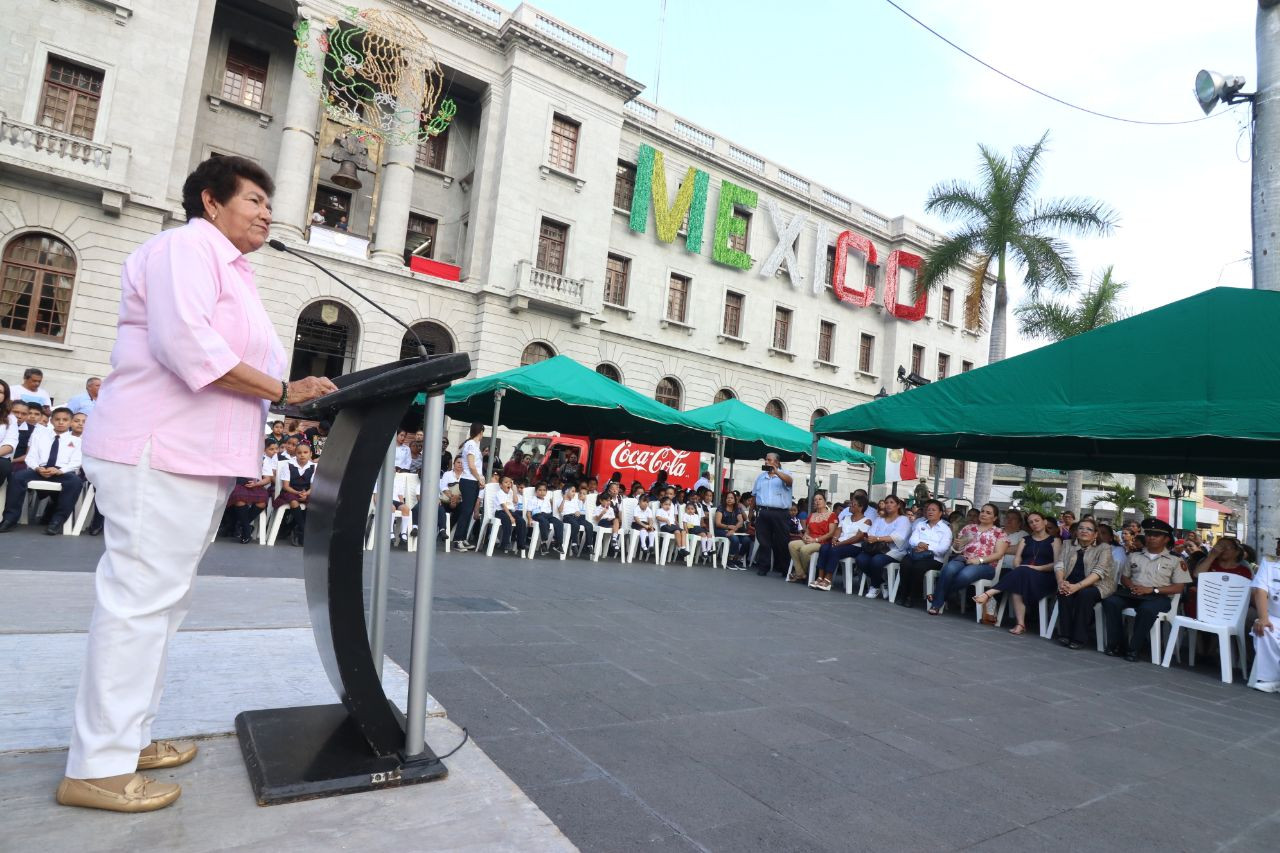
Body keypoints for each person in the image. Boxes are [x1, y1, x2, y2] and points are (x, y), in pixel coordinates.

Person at [54, 156, 337, 813]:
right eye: (255, 199)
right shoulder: (186, 246)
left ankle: (127, 739)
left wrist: (287, 397)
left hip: (194, 455)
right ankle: (96, 765)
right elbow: (189, 345)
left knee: (162, 603)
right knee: (139, 602)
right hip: (160, 447)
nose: (268, 212)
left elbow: (239, 359)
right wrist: (283, 389)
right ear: (211, 202)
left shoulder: (229, 267)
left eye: (270, 202)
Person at [1101, 518, 1190, 662]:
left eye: (1156, 535)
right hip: (1133, 593)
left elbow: (1179, 587)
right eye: (1149, 534)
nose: (1151, 538)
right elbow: (1125, 577)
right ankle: (1117, 644)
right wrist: (1131, 586)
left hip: (1158, 596)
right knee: (1111, 602)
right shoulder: (1135, 555)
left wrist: (1152, 590)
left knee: (1147, 609)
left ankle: (1133, 649)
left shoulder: (1176, 560)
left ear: (1166, 539)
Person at [974, 511, 1061, 634]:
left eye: (1037, 520)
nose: (1034, 524)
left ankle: (989, 593)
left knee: (1021, 574)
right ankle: (1020, 624)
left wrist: (1034, 568)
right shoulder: (1025, 540)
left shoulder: (1055, 541)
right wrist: (1020, 567)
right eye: (1031, 522)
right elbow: (1017, 560)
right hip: (1023, 574)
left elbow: (1056, 564)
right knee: (1018, 582)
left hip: (1044, 577)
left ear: (1044, 522)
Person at [0, 406, 83, 534]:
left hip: (62, 472)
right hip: (39, 470)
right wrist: (37, 467)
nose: (61, 422)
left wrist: (60, 471)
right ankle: (9, 519)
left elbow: (77, 462)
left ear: (71, 422)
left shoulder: (77, 441)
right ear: (51, 421)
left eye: (65, 420)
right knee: (17, 477)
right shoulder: (40, 437)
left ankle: (57, 521)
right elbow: (31, 457)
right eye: (57, 419)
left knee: (75, 482)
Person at [928, 503, 1009, 615]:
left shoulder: (1000, 533)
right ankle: (939, 600)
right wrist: (957, 545)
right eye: (983, 511)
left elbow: (999, 554)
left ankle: (937, 599)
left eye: (988, 513)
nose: (984, 514)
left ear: (995, 518)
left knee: (965, 575)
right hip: (963, 558)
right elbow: (957, 549)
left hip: (985, 565)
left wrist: (979, 560)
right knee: (949, 569)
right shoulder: (968, 528)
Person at [1052, 519, 1116, 649]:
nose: (1084, 531)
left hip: (1098, 585)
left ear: (1095, 534)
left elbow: (1099, 572)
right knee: (1063, 591)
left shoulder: (1104, 548)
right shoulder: (1068, 544)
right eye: (1081, 528)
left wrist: (1077, 586)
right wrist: (1060, 582)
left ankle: (1079, 637)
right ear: (1076, 531)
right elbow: (1059, 564)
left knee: (1084, 594)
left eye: (1089, 529)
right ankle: (1065, 634)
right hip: (1071, 581)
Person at [895, 499, 952, 607]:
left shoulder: (945, 529)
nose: (930, 512)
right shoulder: (921, 524)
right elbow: (912, 540)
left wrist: (927, 547)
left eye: (934, 510)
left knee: (918, 567)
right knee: (905, 563)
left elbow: (943, 548)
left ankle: (912, 597)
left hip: (934, 559)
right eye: (929, 510)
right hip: (916, 553)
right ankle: (903, 594)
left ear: (940, 513)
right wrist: (919, 544)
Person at [855, 494, 910, 599]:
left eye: (892, 502)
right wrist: (870, 538)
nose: (888, 505)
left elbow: (899, 537)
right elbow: (871, 532)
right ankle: (881, 582)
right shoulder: (880, 519)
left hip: (894, 551)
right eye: (887, 502)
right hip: (876, 548)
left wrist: (878, 538)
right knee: (860, 559)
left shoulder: (903, 520)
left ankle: (874, 586)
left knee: (876, 560)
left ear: (898, 505)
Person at [1185, 536, 1252, 619]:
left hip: (1231, 610)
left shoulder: (1244, 570)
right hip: (1205, 606)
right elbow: (1197, 575)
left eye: (1227, 547)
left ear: (1237, 552)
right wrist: (1211, 556)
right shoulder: (1207, 563)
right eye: (1219, 546)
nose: (1222, 549)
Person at [751, 452, 794, 577]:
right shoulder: (761, 477)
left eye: (769, 460)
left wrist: (777, 472)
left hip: (780, 513)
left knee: (782, 541)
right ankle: (763, 566)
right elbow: (754, 495)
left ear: (776, 462)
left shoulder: (785, 474)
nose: (766, 462)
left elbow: (790, 482)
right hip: (763, 511)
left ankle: (784, 568)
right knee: (763, 540)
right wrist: (750, 512)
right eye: (765, 459)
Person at [812, 501, 870, 591]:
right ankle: (820, 577)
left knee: (835, 550)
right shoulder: (845, 518)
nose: (850, 506)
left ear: (861, 507)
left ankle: (828, 579)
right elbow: (838, 530)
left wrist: (840, 543)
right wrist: (835, 539)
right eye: (851, 504)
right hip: (839, 543)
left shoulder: (866, 521)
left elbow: (858, 538)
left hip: (854, 546)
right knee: (824, 548)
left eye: (854, 505)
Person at [227, 441, 276, 544]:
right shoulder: (238, 457)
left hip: (256, 485)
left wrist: (256, 484)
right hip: (239, 484)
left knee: (262, 501)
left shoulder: (263, 459)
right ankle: (246, 530)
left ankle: (242, 525)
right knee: (239, 498)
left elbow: (267, 479)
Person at [787, 493, 835, 582]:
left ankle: (801, 573)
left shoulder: (831, 515)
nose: (817, 501)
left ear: (825, 501)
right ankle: (801, 573)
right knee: (792, 545)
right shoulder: (812, 515)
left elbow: (831, 533)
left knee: (804, 550)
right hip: (810, 539)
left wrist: (815, 540)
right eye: (815, 500)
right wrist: (805, 537)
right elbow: (807, 531)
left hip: (821, 542)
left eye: (820, 499)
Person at [275, 442, 316, 546]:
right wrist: (297, 492)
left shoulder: (314, 467)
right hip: (290, 491)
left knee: (315, 503)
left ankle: (295, 528)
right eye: (299, 452)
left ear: (310, 454)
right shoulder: (288, 466)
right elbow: (286, 486)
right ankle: (303, 530)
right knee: (294, 502)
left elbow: (313, 486)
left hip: (306, 492)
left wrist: (306, 493)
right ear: (295, 454)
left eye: (305, 452)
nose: (302, 455)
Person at [1249, 553, 1280, 692]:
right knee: (1264, 628)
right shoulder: (1269, 562)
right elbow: (1260, 590)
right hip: (1275, 616)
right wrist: (1263, 617)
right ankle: (1271, 678)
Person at [452, 422, 484, 550]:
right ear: (481, 432)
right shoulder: (471, 444)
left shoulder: (474, 445)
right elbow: (471, 465)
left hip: (473, 481)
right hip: (469, 480)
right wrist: (479, 479)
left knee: (469, 511)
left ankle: (463, 538)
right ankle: (457, 540)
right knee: (466, 511)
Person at [716, 491, 753, 570]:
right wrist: (728, 526)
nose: (729, 499)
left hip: (734, 531)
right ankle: (730, 561)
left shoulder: (736, 509)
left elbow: (741, 521)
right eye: (728, 498)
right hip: (721, 529)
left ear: (735, 500)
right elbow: (718, 523)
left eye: (731, 498)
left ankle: (738, 559)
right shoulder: (721, 508)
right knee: (735, 539)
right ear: (725, 499)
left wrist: (734, 529)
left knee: (747, 540)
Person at [524, 482, 559, 555]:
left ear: (546, 492)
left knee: (558, 522)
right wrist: (529, 519)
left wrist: (552, 503)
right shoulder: (532, 500)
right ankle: (544, 542)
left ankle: (558, 543)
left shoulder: (547, 501)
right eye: (539, 490)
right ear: (536, 491)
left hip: (547, 515)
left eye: (544, 490)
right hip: (537, 515)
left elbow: (550, 512)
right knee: (544, 521)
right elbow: (529, 511)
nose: (542, 492)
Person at [494, 475, 524, 554]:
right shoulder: (499, 493)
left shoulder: (511, 492)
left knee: (521, 521)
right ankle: (505, 543)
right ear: (500, 485)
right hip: (500, 511)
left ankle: (520, 544)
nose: (508, 484)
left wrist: (514, 490)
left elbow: (515, 501)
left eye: (510, 483)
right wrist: (510, 517)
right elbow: (503, 507)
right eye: (506, 482)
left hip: (510, 511)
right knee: (507, 520)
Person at [559, 484, 588, 555]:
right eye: (572, 491)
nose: (574, 493)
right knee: (576, 525)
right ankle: (574, 543)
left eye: (575, 491)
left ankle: (583, 544)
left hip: (574, 517)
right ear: (566, 491)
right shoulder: (560, 500)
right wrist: (563, 500)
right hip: (567, 517)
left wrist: (577, 512)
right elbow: (560, 510)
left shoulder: (574, 501)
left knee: (585, 523)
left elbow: (577, 510)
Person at [631, 492, 656, 560]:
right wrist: (644, 526)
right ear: (639, 502)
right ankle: (643, 545)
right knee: (643, 529)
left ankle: (651, 545)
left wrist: (650, 525)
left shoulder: (648, 510)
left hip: (645, 523)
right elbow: (636, 519)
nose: (645, 503)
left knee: (652, 529)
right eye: (644, 501)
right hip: (637, 523)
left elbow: (650, 519)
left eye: (647, 502)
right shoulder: (636, 508)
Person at [655, 495, 679, 560]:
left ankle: (681, 548)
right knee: (677, 531)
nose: (668, 506)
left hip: (671, 526)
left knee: (680, 531)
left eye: (669, 504)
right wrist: (666, 520)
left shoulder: (670, 511)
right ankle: (679, 547)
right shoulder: (660, 510)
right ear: (661, 504)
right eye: (666, 504)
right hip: (664, 526)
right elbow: (658, 517)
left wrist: (676, 522)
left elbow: (673, 519)